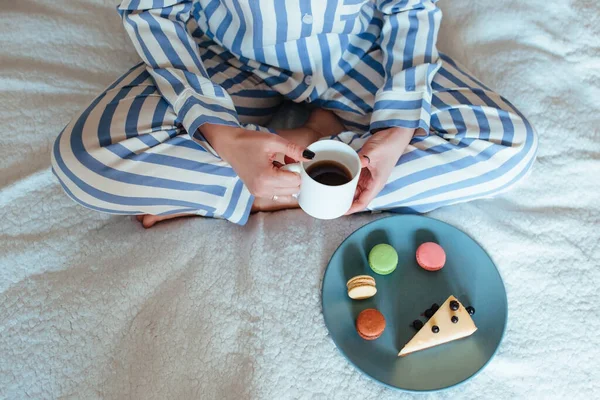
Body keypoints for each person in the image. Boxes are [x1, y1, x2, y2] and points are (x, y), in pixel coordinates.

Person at [51, 0, 537, 228]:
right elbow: (152, 10)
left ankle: (252, 192)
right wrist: (221, 135)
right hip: (228, 58)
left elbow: (410, 8)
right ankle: (308, 162)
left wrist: (397, 130)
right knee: (85, 162)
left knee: (508, 147)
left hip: (364, 55)